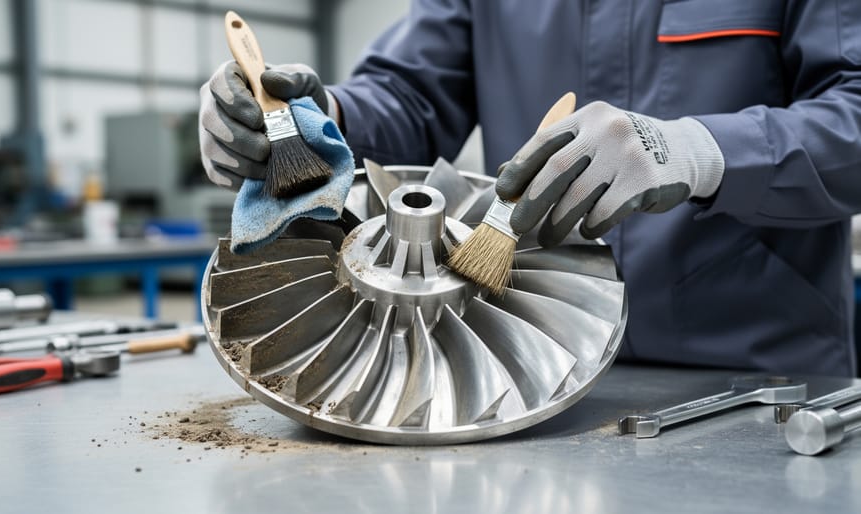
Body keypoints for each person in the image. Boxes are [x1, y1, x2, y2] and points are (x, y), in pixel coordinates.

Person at [199, 0, 861, 376]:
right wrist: (323, 118)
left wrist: (699, 152)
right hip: (532, 365)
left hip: (759, 374)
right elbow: (411, 92)